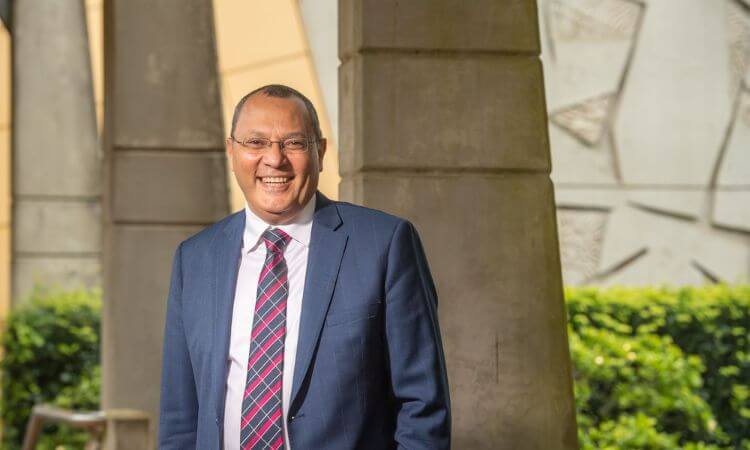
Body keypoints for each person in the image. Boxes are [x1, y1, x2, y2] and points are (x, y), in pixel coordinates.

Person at [158, 84, 451, 450]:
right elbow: (180, 416)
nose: (274, 159)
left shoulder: (384, 244)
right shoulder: (195, 258)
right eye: (256, 143)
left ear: (321, 152)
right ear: (231, 151)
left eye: (294, 144)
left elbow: (422, 403)